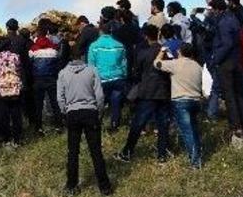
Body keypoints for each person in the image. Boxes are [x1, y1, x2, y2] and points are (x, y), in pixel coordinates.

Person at [56, 48, 112, 196]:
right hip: (90, 111)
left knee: (73, 151)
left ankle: (71, 185)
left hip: (72, 113)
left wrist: (64, 111)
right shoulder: (92, 70)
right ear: (82, 56)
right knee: (96, 151)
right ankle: (104, 186)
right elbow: (99, 95)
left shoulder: (62, 73)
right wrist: (99, 111)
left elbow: (60, 97)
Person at [114, 25, 172, 164]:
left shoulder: (143, 53)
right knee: (163, 124)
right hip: (164, 90)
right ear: (158, 34)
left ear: (146, 36)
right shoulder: (166, 52)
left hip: (147, 91)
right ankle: (162, 155)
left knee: (138, 123)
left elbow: (136, 73)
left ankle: (127, 152)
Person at [154, 43, 204, 169]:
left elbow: (157, 63)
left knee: (188, 132)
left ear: (180, 52)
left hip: (181, 101)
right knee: (194, 130)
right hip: (196, 101)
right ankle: (197, 155)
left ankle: (195, 163)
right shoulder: (197, 66)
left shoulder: (175, 64)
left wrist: (162, 51)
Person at [212, 0, 243, 138]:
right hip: (236, 61)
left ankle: (236, 128)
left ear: (217, 9)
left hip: (226, 62)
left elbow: (227, 43)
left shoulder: (223, 22)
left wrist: (215, 59)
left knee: (229, 96)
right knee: (238, 95)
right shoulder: (233, 20)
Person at [87, 22, 128, 132]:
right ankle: (115, 125)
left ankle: (96, 125)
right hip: (118, 78)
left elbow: (91, 64)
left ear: (100, 31)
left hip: (101, 79)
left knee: (99, 103)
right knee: (116, 103)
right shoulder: (120, 45)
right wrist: (124, 75)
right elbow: (124, 63)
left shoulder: (94, 46)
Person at [29, 27, 63, 133]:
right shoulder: (53, 51)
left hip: (38, 80)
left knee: (38, 105)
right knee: (54, 103)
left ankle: (38, 127)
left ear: (37, 36)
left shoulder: (33, 50)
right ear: (47, 34)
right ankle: (59, 125)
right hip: (51, 79)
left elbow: (30, 62)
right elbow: (58, 61)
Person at [0, 37, 24, 145]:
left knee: (3, 114)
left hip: (1, 89)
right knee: (16, 113)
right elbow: (19, 70)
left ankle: (5, 138)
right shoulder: (15, 56)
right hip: (14, 88)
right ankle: (17, 138)